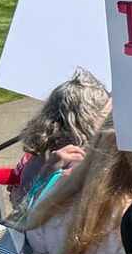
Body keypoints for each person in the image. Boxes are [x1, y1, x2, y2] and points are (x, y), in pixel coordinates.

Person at [13, 69, 111, 205]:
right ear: (88, 116)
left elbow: (21, 208)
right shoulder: (76, 159)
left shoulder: (39, 157)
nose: (112, 117)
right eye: (107, 111)